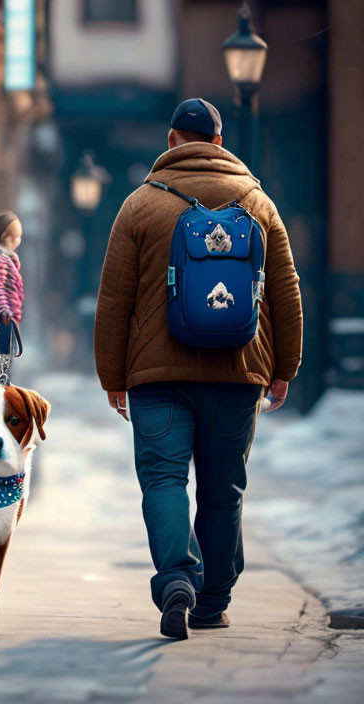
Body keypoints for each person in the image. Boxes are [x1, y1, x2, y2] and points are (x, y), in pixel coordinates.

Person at [93, 98, 303, 639]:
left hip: (157, 377)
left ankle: (177, 580)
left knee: (163, 479)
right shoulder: (259, 203)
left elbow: (114, 298)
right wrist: (285, 366)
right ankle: (214, 601)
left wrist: (111, 375)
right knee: (223, 486)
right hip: (238, 370)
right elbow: (284, 292)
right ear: (218, 142)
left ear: (170, 141)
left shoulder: (139, 204)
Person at [0, 211, 24, 356]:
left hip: (12, 317)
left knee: (9, 357)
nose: (19, 240)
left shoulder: (9, 259)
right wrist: (3, 309)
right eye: (17, 236)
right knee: (5, 357)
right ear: (5, 237)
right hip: (6, 318)